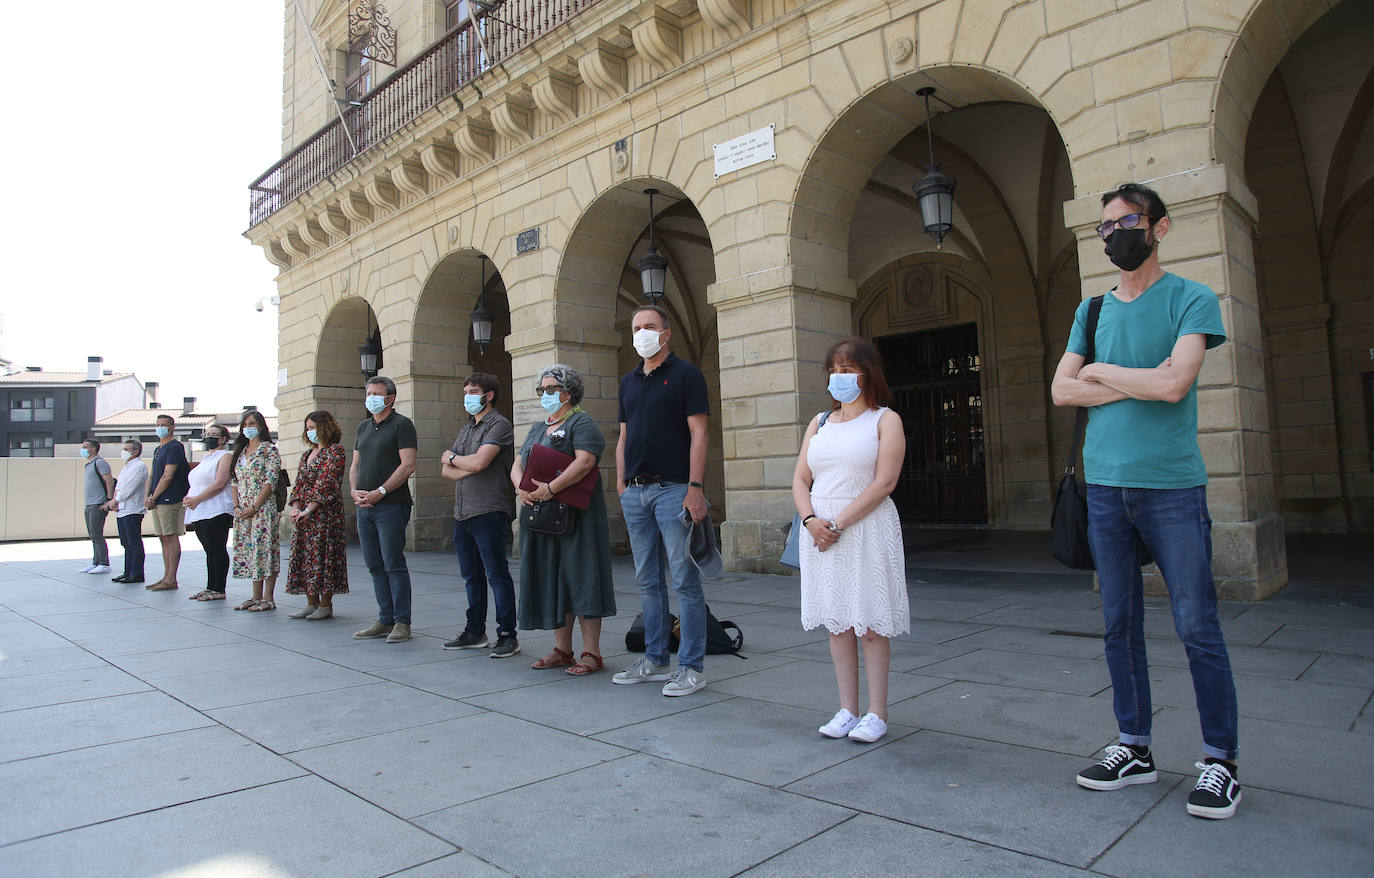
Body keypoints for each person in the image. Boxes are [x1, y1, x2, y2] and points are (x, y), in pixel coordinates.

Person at [1051, 182, 1240, 820]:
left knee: (1196, 624)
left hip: (1172, 487)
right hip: (1104, 486)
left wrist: (1100, 373)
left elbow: (1177, 381)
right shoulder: (1093, 311)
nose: (1113, 235)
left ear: (1159, 227)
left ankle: (1220, 760)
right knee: (1118, 625)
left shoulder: (1191, 298)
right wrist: (1137, 379)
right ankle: (1134, 745)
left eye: (1125, 222)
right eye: (1104, 228)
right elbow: (1061, 391)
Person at [792, 338, 909, 743]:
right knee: (837, 622)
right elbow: (801, 478)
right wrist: (810, 521)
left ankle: (877, 712)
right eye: (835, 370)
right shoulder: (819, 423)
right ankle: (847, 708)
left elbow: (885, 482)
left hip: (864, 530)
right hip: (819, 532)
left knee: (871, 623)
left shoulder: (884, 420)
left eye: (848, 369)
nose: (839, 377)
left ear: (868, 373)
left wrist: (838, 523)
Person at [611, 305, 711, 696]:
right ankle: (654, 658)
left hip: (673, 490)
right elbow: (624, 435)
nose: (641, 334)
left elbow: (699, 435)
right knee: (647, 580)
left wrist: (695, 486)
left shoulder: (686, 375)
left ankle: (692, 667)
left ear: (666, 333)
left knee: (684, 579)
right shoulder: (629, 382)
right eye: (636, 327)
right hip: (634, 492)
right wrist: (620, 485)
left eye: (649, 327)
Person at [513, 365, 615, 675]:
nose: (544, 394)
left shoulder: (580, 422)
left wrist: (551, 488)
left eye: (550, 388)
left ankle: (591, 653)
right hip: (542, 517)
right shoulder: (537, 427)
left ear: (568, 392)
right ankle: (562, 648)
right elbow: (518, 463)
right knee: (553, 578)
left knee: (580, 577)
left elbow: (585, 461)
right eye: (541, 389)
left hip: (575, 518)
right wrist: (521, 488)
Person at [440, 374, 519, 657]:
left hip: (489, 510)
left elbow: (480, 462)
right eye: (466, 392)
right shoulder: (466, 429)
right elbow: (446, 470)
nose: (468, 397)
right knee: (471, 576)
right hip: (463, 512)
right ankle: (474, 631)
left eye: (473, 391)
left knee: (497, 575)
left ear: (489, 395)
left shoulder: (499, 425)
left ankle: (507, 634)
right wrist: (461, 463)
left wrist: (454, 458)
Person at [350, 376, 418, 643]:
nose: (371, 398)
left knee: (393, 563)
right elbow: (355, 464)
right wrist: (354, 491)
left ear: (390, 398)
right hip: (364, 506)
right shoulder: (363, 427)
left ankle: (402, 621)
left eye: (376, 394)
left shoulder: (402, 425)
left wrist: (380, 492)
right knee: (374, 564)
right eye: (368, 393)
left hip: (391, 505)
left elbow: (407, 466)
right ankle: (384, 618)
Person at [285, 411, 349, 619]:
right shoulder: (307, 454)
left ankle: (325, 604)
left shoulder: (335, 451)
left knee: (324, 556)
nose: (309, 431)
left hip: (325, 514)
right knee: (304, 556)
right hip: (304, 514)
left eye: (313, 427)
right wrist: (296, 507)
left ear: (324, 427)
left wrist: (309, 508)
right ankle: (310, 602)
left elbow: (326, 482)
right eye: (308, 428)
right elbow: (299, 484)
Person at [229, 411, 282, 612]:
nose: (248, 427)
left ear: (261, 426)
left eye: (252, 423)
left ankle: (268, 598)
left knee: (265, 550)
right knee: (251, 552)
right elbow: (234, 481)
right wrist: (237, 506)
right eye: (245, 424)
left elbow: (271, 481)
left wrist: (254, 506)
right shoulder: (240, 452)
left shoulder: (269, 450)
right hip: (243, 511)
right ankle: (255, 596)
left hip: (262, 509)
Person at [184, 424, 235, 601]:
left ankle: (219, 588)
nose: (210, 438)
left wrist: (197, 499)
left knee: (217, 548)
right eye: (208, 434)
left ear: (223, 439)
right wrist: (190, 497)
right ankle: (210, 586)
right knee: (209, 550)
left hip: (216, 508)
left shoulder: (225, 456)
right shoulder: (206, 458)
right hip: (199, 509)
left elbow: (220, 483)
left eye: (214, 435)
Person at [145, 414, 191, 591]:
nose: (160, 428)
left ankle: (172, 578)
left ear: (172, 427)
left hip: (170, 498)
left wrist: (154, 497)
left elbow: (167, 475)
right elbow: (152, 475)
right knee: (163, 537)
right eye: (157, 424)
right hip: (157, 500)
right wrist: (148, 496)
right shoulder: (159, 449)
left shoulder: (174, 447)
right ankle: (165, 576)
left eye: (163, 425)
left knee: (171, 537)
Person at [108, 441, 148, 583]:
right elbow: (120, 487)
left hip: (132, 509)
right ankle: (128, 571)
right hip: (121, 509)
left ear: (135, 452)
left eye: (126, 449)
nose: (123, 451)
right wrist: (115, 500)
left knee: (134, 542)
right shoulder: (127, 466)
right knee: (126, 543)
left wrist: (115, 500)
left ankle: (136, 573)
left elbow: (129, 488)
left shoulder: (139, 466)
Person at [77, 439, 115, 575]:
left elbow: (109, 481)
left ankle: (104, 563)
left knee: (97, 534)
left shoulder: (100, 463)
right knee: (93, 535)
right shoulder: (88, 465)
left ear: (93, 449)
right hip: (89, 504)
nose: (82, 449)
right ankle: (96, 562)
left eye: (85, 447)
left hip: (97, 504)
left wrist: (109, 501)